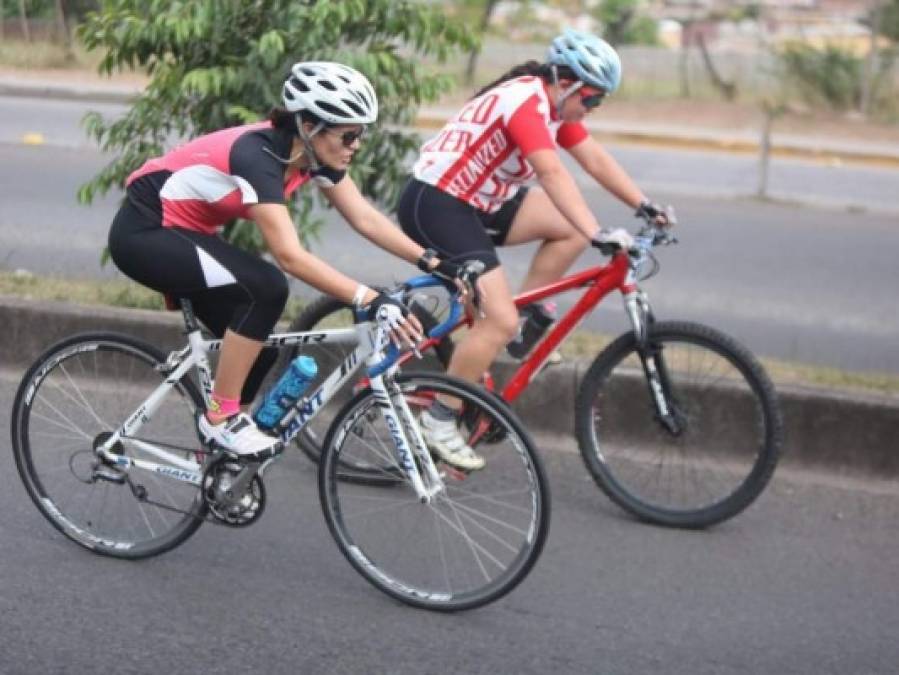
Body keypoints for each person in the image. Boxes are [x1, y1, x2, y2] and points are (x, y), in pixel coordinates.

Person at [109, 61, 460, 460]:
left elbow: (363, 217)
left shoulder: (312, 157)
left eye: (361, 134)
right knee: (266, 287)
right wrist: (368, 298)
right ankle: (220, 422)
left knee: (260, 351)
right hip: (144, 234)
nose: (356, 145)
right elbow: (290, 257)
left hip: (186, 235)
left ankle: (215, 460)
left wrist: (431, 261)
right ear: (309, 126)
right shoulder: (256, 156)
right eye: (349, 135)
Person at [397, 29, 674, 470]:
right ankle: (440, 419)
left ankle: (530, 326)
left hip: (478, 203)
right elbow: (551, 172)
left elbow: (595, 159)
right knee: (498, 318)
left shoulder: (554, 107)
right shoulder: (526, 102)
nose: (591, 109)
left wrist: (643, 204)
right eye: (591, 99)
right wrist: (599, 229)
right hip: (437, 203)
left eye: (599, 102)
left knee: (569, 229)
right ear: (564, 81)